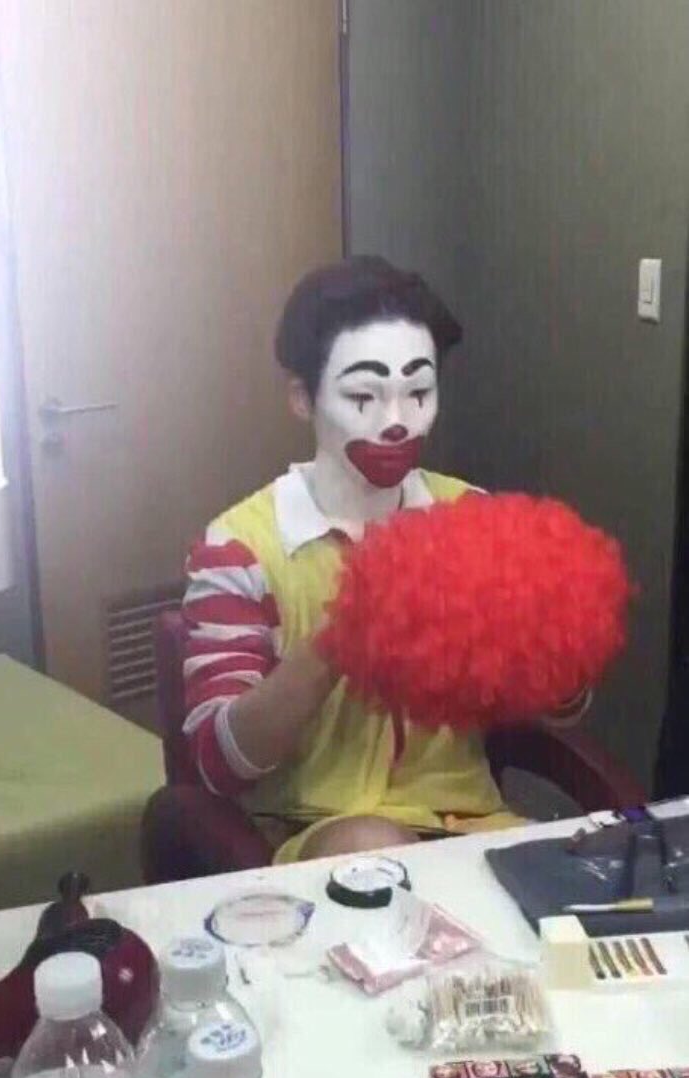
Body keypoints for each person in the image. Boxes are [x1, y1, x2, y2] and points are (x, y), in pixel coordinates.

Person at [180, 256, 585, 864]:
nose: (396, 422)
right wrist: (345, 635)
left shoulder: (468, 515)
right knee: (375, 848)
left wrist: (559, 655)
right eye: (363, 396)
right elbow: (220, 763)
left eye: (418, 392)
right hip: (316, 832)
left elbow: (557, 707)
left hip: (470, 825)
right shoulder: (238, 548)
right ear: (302, 397)